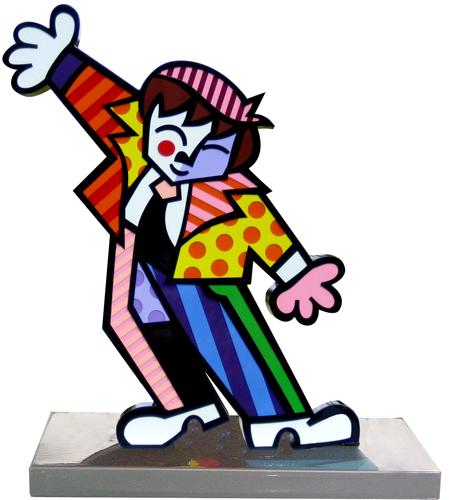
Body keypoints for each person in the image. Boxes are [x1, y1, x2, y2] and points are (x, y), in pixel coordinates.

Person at [3, 5, 359, 448]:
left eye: (210, 150)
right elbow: (102, 102)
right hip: (138, 265)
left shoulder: (229, 193)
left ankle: (281, 419)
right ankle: (188, 408)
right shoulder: (134, 146)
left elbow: (265, 230)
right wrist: (61, 65)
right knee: (137, 328)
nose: (186, 157)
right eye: (173, 139)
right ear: (148, 121)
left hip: (203, 275)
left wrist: (296, 275)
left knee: (234, 345)